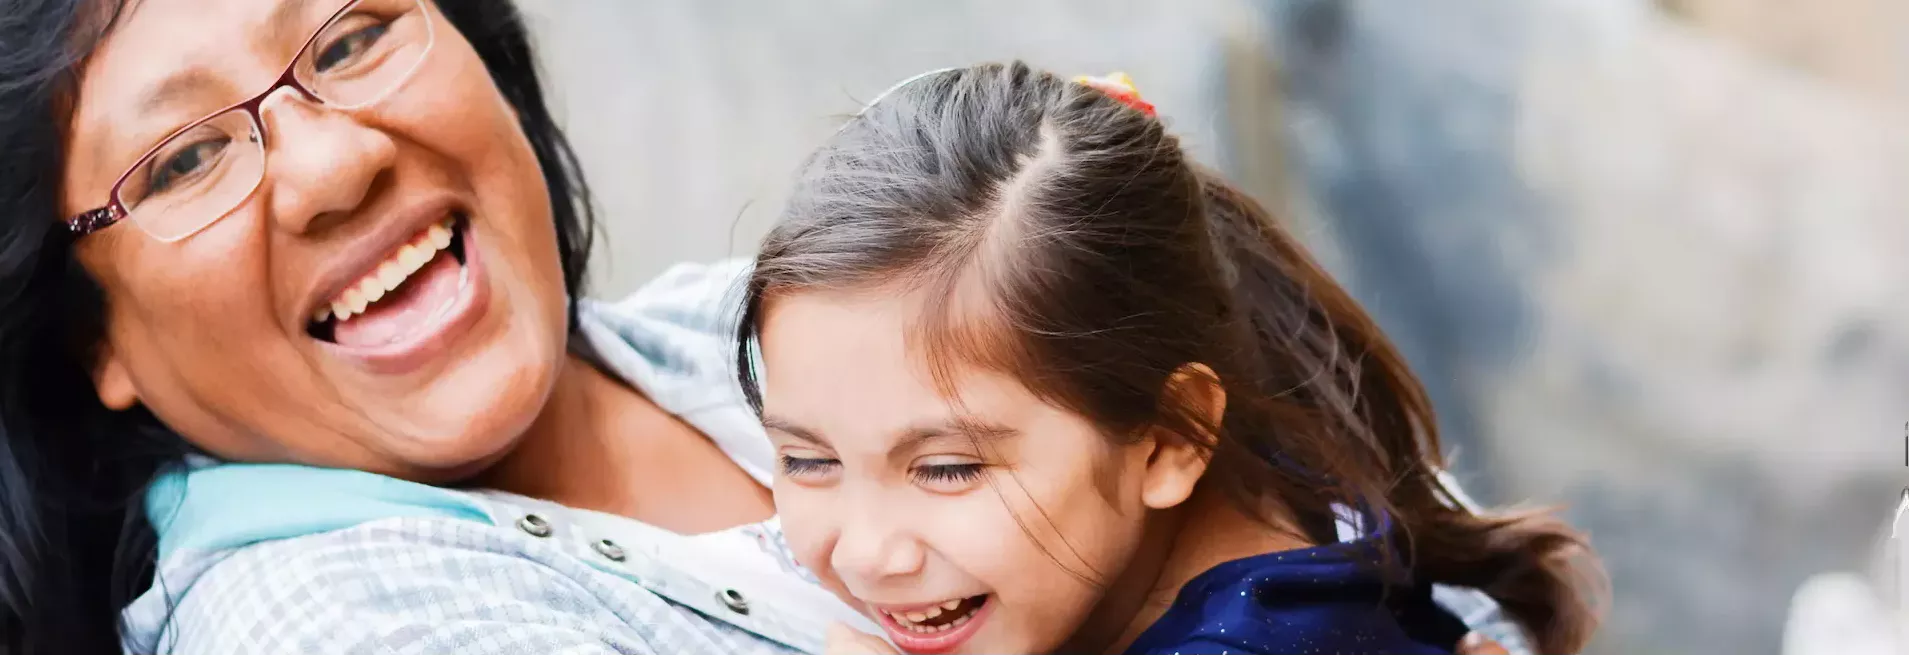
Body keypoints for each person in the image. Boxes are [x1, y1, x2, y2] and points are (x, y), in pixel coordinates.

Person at [0, 0, 1539, 652]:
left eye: (351, 35)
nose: (333, 160)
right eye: (184, 157)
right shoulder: (337, 622)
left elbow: (1417, 542)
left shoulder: (737, 325)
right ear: (89, 336)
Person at [736, 63, 1605, 655]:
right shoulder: (1264, 450)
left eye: (949, 468)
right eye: (807, 458)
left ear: (1170, 439)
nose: (864, 551)